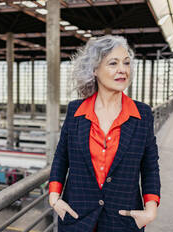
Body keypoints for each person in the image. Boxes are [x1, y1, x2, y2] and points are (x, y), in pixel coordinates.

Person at [49, 35, 160, 232]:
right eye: (113, 63)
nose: (122, 70)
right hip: (77, 219)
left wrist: (150, 211)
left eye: (126, 63)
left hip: (123, 222)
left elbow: (150, 167)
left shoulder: (142, 114)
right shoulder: (76, 111)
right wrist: (54, 198)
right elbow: (61, 157)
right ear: (94, 69)